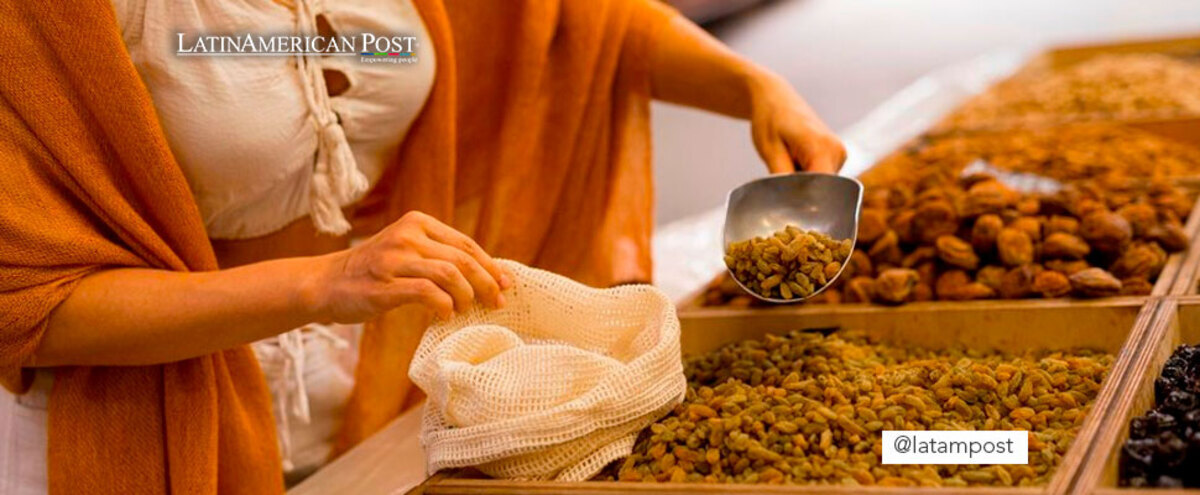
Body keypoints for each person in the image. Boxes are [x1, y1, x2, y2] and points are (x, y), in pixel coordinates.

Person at [0, 0, 845, 493]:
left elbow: (570, 25)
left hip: (382, 378)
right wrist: (322, 281)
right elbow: (27, 299)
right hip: (147, 421)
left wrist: (754, 88)